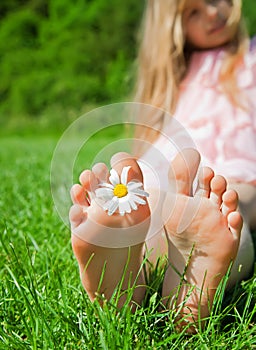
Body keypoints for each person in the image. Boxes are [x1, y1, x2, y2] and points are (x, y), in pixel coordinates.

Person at [69, 0, 255, 331]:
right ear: (174, 28)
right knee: (155, 205)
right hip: (166, 173)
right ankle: (130, 279)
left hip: (236, 174)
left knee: (230, 208)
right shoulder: (173, 76)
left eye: (214, 0)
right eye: (193, 12)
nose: (213, 13)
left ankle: (182, 274)